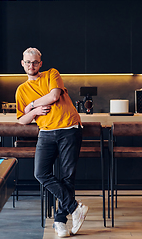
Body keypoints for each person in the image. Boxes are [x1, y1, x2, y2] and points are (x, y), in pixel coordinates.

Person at [15, 47, 88, 237]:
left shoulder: (52, 74)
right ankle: (74, 208)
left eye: (35, 62)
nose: (31, 65)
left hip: (69, 129)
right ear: (23, 64)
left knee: (67, 177)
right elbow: (22, 119)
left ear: (40, 63)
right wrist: (34, 112)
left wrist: (31, 105)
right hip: (46, 132)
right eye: (28, 62)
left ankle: (60, 222)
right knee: (41, 173)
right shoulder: (22, 90)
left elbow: (54, 96)